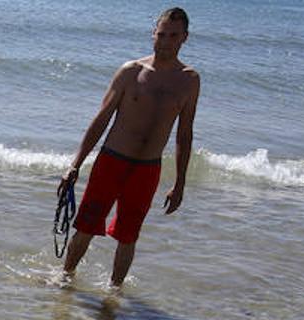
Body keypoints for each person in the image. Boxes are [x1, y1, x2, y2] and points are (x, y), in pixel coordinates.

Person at [59, 8, 200, 288]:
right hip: (112, 161)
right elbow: (100, 120)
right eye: (161, 34)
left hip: (147, 169)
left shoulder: (189, 80)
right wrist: (75, 164)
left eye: (173, 36)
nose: (165, 41)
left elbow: (185, 135)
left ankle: (114, 292)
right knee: (86, 225)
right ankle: (64, 280)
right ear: (153, 33)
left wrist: (180, 184)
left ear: (184, 37)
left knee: (128, 235)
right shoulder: (131, 71)